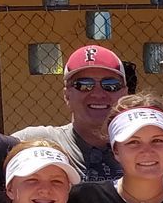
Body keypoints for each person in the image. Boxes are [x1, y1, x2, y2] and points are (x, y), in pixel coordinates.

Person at [10, 44, 129, 181]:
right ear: (67, 95)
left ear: (124, 94)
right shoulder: (36, 141)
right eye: (84, 85)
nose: (98, 94)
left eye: (110, 85)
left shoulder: (143, 146)